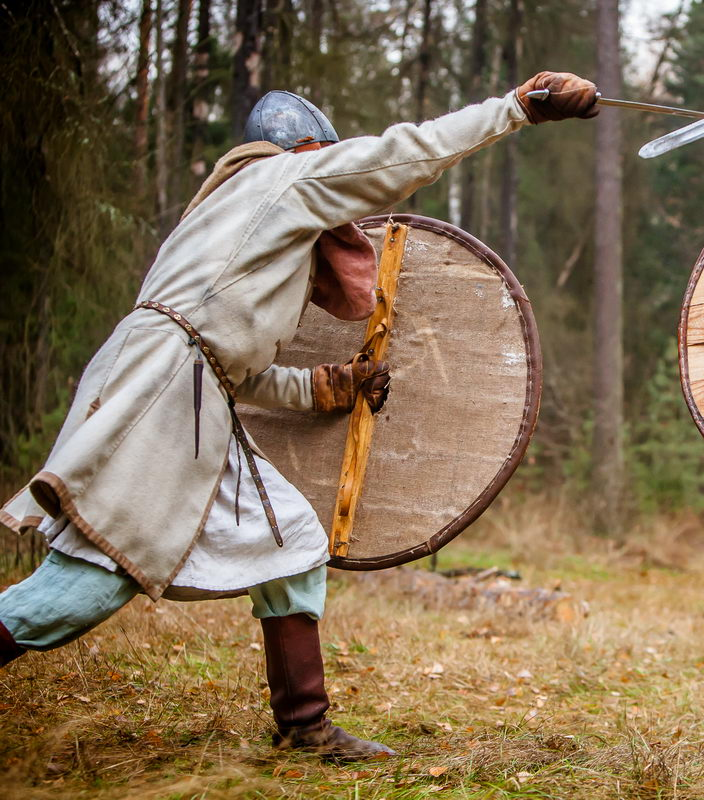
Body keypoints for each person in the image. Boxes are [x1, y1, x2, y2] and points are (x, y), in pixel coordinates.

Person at [0, 72, 598, 761]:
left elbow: (237, 368)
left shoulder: (233, 217)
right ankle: (303, 724)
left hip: (189, 392)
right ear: (307, 148)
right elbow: (406, 152)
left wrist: (327, 385)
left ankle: (304, 725)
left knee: (290, 541)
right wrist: (515, 109)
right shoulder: (283, 179)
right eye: (327, 157)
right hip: (165, 397)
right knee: (89, 583)